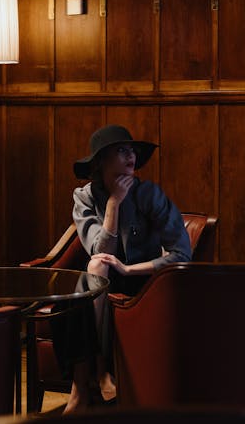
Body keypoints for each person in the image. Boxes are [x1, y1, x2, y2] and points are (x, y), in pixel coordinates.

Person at [55, 124, 192, 414]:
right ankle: (94, 379)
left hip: (142, 281)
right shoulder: (85, 197)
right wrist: (114, 203)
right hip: (100, 279)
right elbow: (100, 250)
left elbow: (182, 255)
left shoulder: (149, 194)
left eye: (132, 150)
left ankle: (86, 385)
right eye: (121, 151)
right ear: (101, 161)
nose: (131, 156)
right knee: (89, 275)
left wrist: (130, 270)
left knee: (88, 280)